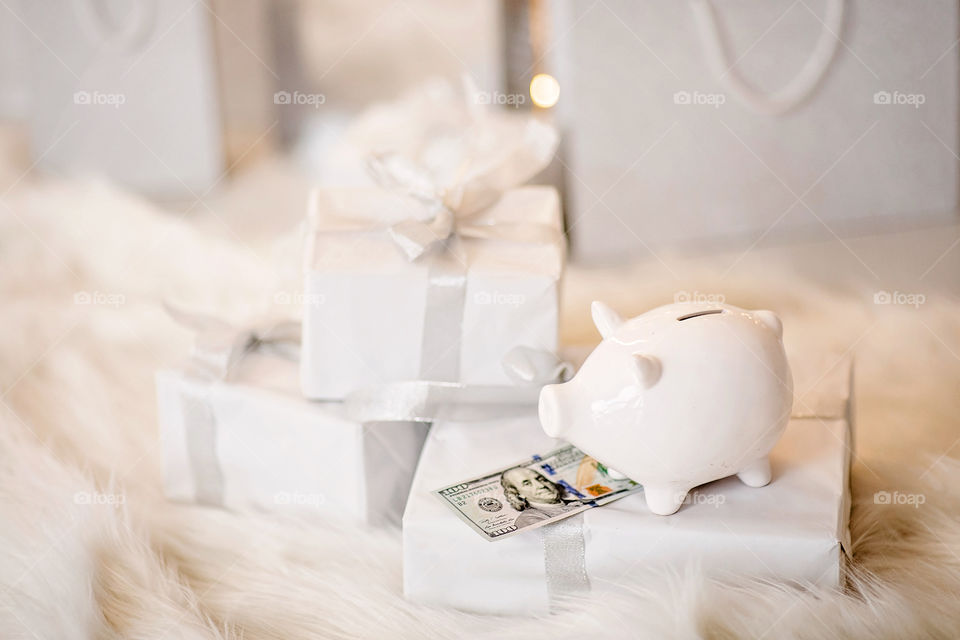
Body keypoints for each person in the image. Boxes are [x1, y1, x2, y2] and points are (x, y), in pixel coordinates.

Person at [500, 466, 581, 528]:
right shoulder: (528, 519)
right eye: (527, 484)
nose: (541, 485)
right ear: (518, 493)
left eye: (540, 479)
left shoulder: (581, 502)